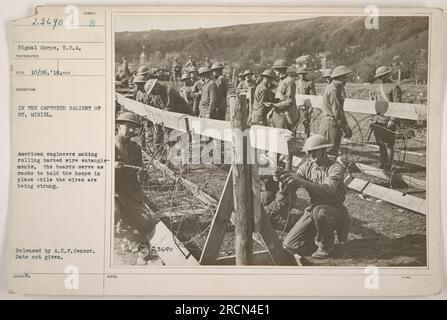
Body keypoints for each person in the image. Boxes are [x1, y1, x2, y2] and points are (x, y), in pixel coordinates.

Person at [279, 135, 351, 259]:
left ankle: (326, 244)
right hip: (314, 210)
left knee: (320, 212)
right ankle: (316, 238)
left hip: (335, 211)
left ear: (324, 151)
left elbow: (328, 190)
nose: (310, 154)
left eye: (314, 151)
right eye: (308, 151)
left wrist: (302, 181)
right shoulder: (307, 166)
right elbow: (293, 184)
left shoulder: (335, 167)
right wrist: (283, 180)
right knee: (289, 245)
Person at [115, 112, 158, 262]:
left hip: (130, 195)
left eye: (134, 128)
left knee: (148, 222)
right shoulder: (108, 145)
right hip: (112, 194)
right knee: (114, 215)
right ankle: (125, 237)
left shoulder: (135, 148)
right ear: (118, 126)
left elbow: (139, 175)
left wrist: (144, 175)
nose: (132, 131)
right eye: (128, 127)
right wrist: (111, 167)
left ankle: (130, 241)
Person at [369, 66, 402, 170]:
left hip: (388, 121)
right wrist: (372, 118)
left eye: (383, 76)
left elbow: (398, 105)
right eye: (379, 77)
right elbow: (373, 104)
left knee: (388, 144)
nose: (381, 78)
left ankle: (388, 165)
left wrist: (393, 119)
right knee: (380, 144)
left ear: (388, 75)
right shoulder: (376, 87)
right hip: (377, 120)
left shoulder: (395, 87)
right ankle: (383, 163)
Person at [320, 65, 353, 157]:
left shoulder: (333, 88)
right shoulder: (334, 90)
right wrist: (346, 128)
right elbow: (337, 113)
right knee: (331, 151)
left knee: (327, 151)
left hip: (330, 123)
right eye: (344, 78)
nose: (346, 80)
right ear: (338, 77)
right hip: (331, 124)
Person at [295, 67, 316, 138]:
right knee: (294, 123)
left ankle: (307, 140)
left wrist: (311, 108)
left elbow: (313, 96)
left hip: (305, 107)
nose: (302, 75)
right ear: (298, 75)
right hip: (296, 106)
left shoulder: (309, 83)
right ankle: (293, 138)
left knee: (306, 123)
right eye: (300, 74)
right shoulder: (295, 83)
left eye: (303, 74)